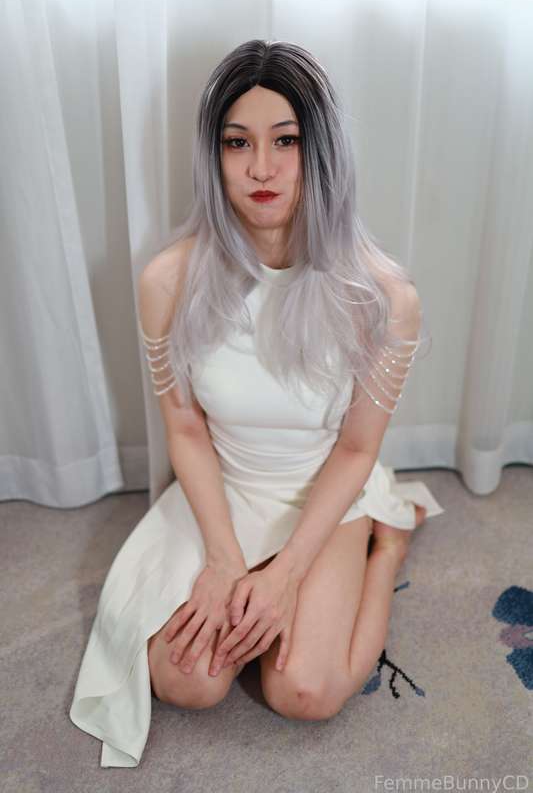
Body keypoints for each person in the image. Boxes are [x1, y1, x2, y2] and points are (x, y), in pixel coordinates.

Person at [69, 39, 444, 768]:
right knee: (187, 681)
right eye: (237, 142)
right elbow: (185, 428)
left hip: (325, 492)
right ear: (213, 156)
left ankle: (389, 544)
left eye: (286, 141)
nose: (261, 168)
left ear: (321, 151)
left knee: (305, 691)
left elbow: (356, 449)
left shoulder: (382, 298)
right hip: (226, 486)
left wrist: (285, 574)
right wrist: (223, 559)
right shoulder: (167, 281)